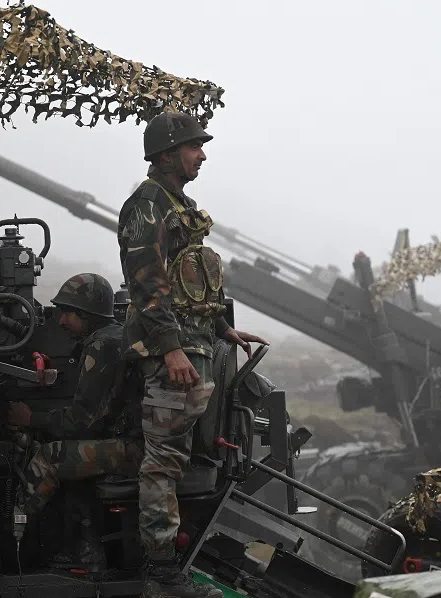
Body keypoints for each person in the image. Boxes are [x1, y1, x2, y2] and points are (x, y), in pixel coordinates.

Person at [117, 111, 269, 598]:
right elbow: (148, 286)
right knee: (163, 460)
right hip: (175, 353)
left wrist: (223, 328)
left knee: (181, 457)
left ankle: (172, 560)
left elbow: (192, 281)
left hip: (197, 346)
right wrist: (171, 350)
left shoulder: (179, 205)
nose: (201, 154)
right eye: (192, 147)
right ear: (166, 155)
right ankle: (161, 571)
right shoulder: (146, 206)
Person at [3, 273, 143, 569]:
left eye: (68, 313)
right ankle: (83, 551)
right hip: (132, 442)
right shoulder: (111, 338)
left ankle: (11, 545)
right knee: (68, 457)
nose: (61, 321)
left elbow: (81, 422)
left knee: (48, 458)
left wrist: (31, 419)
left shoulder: (101, 346)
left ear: (88, 314)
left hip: (134, 449)